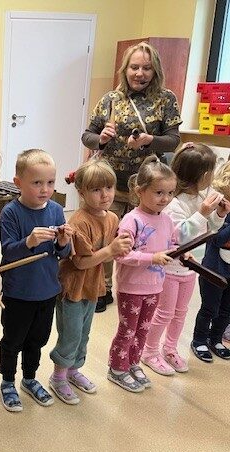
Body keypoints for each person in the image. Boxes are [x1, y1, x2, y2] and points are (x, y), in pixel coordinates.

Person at [81, 42, 182, 313]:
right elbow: (87, 136)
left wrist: (150, 140)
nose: (140, 73)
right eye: (134, 67)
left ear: (155, 70)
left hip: (147, 185)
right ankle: (103, 288)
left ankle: (139, 286)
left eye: (146, 68)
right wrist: (101, 139)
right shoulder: (110, 99)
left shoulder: (166, 99)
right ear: (125, 69)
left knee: (143, 237)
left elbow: (173, 140)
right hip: (110, 182)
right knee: (106, 236)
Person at [49, 159, 132, 404]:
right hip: (73, 287)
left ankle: (73, 371)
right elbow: (80, 263)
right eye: (96, 189)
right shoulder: (78, 222)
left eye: (109, 188)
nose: (105, 195)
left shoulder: (112, 218)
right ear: (81, 192)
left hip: (93, 286)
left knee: (84, 333)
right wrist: (111, 250)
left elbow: (112, 252)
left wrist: (123, 249)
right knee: (71, 334)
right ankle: (58, 377)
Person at [142, 143, 228, 373]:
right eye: (210, 171)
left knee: (181, 313)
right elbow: (180, 235)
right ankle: (149, 351)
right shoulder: (174, 202)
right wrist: (203, 212)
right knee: (164, 313)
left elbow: (210, 230)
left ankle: (170, 349)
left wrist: (219, 214)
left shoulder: (200, 197)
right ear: (201, 174)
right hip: (170, 269)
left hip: (191, 269)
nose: (213, 176)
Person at [0, 149, 73, 411]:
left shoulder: (56, 210)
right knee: (12, 341)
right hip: (18, 292)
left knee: (37, 340)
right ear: (18, 183)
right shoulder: (10, 213)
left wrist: (63, 242)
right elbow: (8, 252)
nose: (45, 189)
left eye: (50, 182)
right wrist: (28, 242)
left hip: (47, 290)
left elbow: (63, 253)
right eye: (37, 182)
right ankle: (8, 381)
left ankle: (29, 379)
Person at [107, 156, 178, 393]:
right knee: (127, 330)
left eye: (170, 193)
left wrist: (181, 253)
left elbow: (172, 245)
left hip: (155, 287)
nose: (165, 199)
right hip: (131, 287)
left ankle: (133, 363)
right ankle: (117, 368)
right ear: (140, 191)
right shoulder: (131, 220)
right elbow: (121, 255)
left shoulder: (167, 220)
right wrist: (152, 258)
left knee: (143, 330)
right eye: (159, 192)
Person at [190, 160, 230, 362]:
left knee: (226, 310)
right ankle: (199, 340)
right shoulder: (220, 209)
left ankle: (216, 339)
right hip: (214, 270)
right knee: (210, 308)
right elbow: (217, 238)